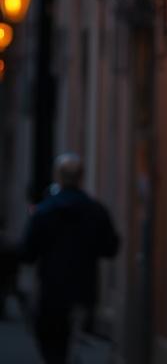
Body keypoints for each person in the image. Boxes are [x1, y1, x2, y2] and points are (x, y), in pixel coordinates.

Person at [16, 153, 120, 364]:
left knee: (52, 345)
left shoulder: (44, 211)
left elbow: (27, 252)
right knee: (78, 339)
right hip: (84, 288)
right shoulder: (95, 210)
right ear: (81, 177)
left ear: (58, 177)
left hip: (51, 290)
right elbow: (110, 247)